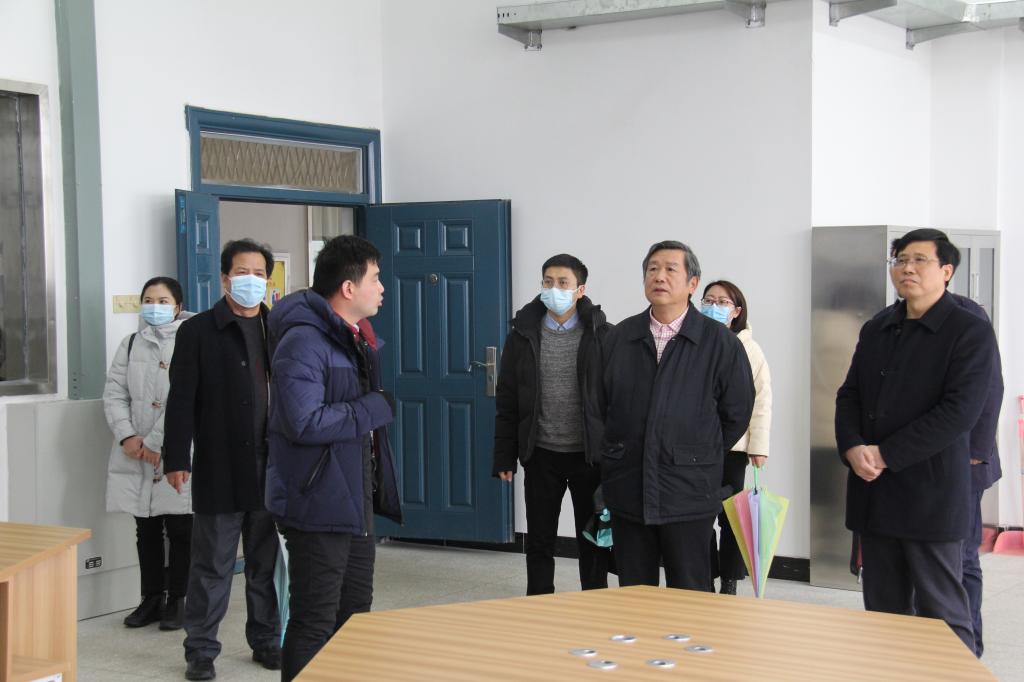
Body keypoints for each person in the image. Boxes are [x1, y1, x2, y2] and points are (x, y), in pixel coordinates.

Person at [835, 228, 996, 652]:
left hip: (932, 493)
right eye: (900, 260)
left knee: (942, 612)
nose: (907, 268)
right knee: (884, 612)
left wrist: (886, 454)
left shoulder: (968, 329)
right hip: (874, 490)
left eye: (919, 260)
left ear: (947, 271)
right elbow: (849, 395)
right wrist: (852, 447)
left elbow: (959, 411)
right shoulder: (877, 327)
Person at [265, 235, 401, 682]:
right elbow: (303, 422)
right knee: (314, 621)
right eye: (375, 278)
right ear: (348, 287)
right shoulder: (304, 342)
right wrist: (372, 408)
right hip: (317, 501)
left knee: (355, 616)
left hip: (352, 499)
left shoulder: (353, 337)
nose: (382, 287)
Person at [598, 241, 754, 590]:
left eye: (671, 269)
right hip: (629, 484)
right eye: (652, 269)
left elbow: (736, 413)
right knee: (635, 593)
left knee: (690, 592)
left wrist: (698, 451)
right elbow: (599, 405)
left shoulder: (720, 343)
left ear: (692, 283)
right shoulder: (620, 338)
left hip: (689, 489)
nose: (659, 276)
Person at [164, 239, 281, 681]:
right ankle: (200, 650)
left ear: (268, 281)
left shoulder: (277, 328)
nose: (251, 280)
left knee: (265, 564)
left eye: (259, 274)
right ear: (225, 278)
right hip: (220, 466)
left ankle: (266, 640)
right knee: (212, 565)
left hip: (272, 468)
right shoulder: (197, 331)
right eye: (242, 272)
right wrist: (177, 456)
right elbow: (181, 400)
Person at [492, 253, 611, 595]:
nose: (554, 288)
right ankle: (539, 603)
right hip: (541, 453)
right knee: (540, 540)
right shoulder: (522, 335)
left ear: (580, 290)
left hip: (589, 456)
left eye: (563, 283)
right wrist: (504, 456)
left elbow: (616, 400)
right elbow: (507, 398)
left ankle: (596, 604)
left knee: (592, 540)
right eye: (548, 282)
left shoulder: (602, 334)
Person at [103, 276, 194, 631]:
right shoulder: (130, 344)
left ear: (178, 306)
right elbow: (114, 393)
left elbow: (188, 398)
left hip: (175, 450)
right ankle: (152, 598)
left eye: (162, 300)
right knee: (146, 527)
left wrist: (156, 442)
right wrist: (127, 435)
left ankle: (179, 599)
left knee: (181, 527)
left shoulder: (192, 341)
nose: (154, 306)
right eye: (148, 300)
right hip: (136, 452)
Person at [700, 280, 772, 595]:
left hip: (733, 448)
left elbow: (762, 400)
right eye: (708, 300)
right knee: (699, 515)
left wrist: (758, 447)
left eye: (722, 302)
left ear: (737, 311)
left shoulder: (749, 348)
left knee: (731, 517)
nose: (714, 307)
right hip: (696, 447)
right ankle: (703, 576)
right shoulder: (694, 341)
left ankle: (729, 580)